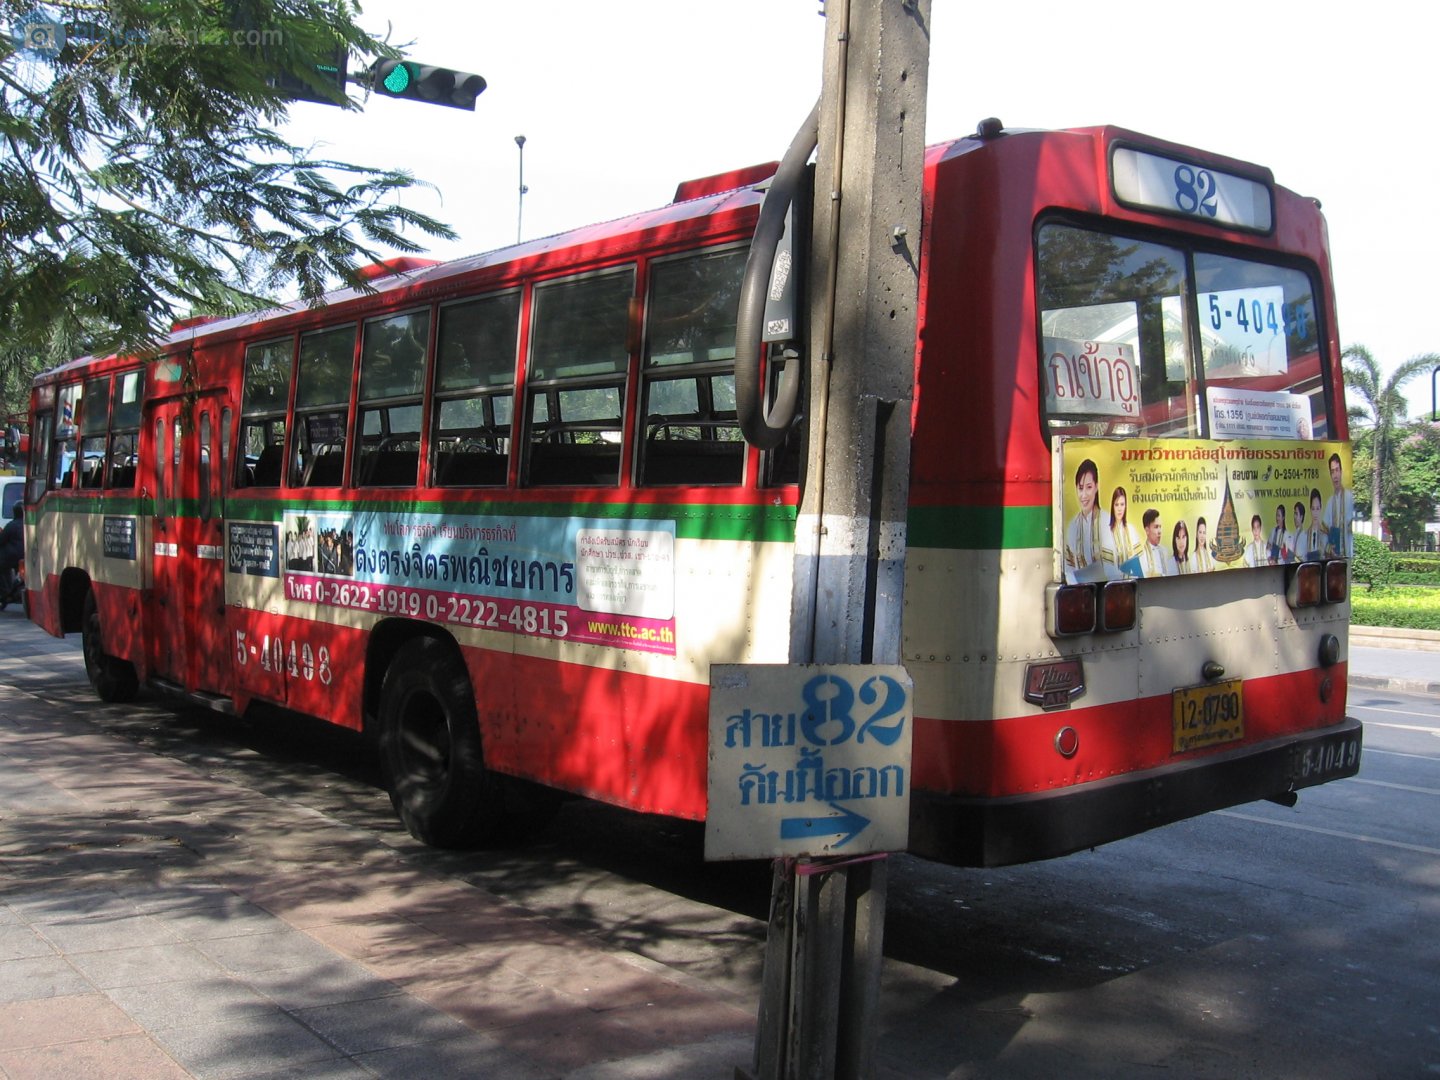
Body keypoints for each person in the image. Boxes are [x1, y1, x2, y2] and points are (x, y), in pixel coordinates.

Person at [1063, 458, 1102, 582]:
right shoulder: (1072, 527)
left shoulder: (1108, 522)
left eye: (1089, 487)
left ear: (1096, 487)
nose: (1084, 495)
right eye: (1080, 488)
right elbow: (1068, 569)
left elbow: (1112, 568)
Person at [1102, 486, 1142, 576]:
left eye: (1122, 504)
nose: (1119, 508)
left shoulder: (1132, 530)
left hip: (1133, 581)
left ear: (1126, 505)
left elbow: (1140, 562)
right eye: (1116, 504)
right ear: (1113, 506)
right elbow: (1107, 568)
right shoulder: (1107, 533)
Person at [1322, 453, 1355, 558]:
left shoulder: (1349, 497)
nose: (1335, 475)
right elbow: (1324, 533)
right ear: (1330, 475)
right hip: (1333, 557)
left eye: (1337, 470)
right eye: (1332, 472)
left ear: (1341, 472)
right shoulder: (1329, 503)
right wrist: (1329, 548)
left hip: (1347, 554)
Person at [1140, 508, 1176, 577]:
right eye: (1156, 527)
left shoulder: (1165, 551)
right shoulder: (1142, 555)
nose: (1159, 531)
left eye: (1160, 527)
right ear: (1147, 530)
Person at [0, 503, 23, 609]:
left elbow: (2, 540)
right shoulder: (30, 525)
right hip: (29, 556)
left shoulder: (11, 525)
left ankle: (5, 591)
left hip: (11, 556)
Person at [1298, 488, 1325, 562]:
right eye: (1313, 509)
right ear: (1310, 509)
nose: (1315, 513)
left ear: (1321, 509)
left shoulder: (1325, 535)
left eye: (1317, 508)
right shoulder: (1304, 536)